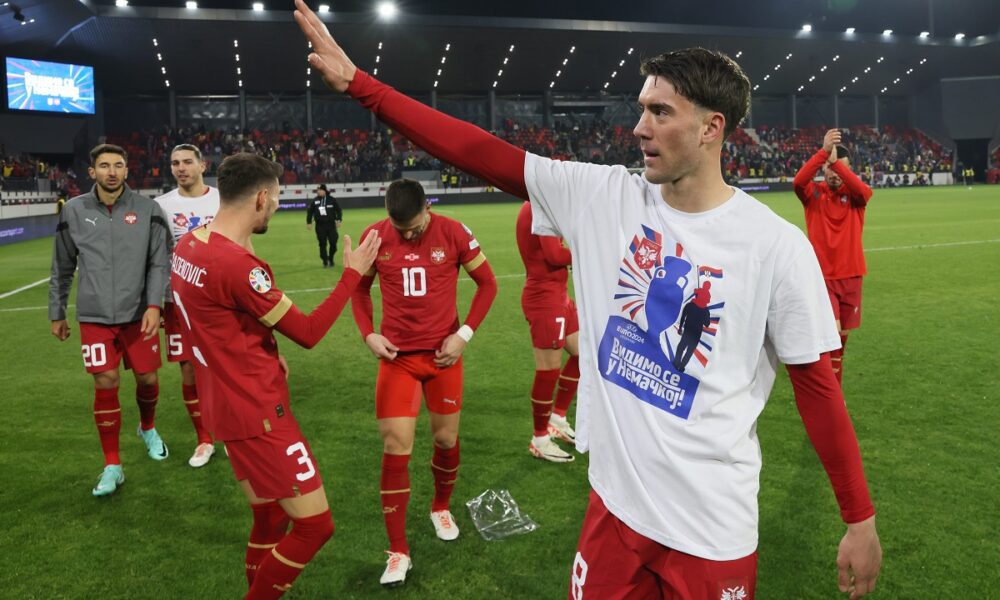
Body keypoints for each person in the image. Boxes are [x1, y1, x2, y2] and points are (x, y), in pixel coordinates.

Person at [294, 7, 882, 598]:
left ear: (712, 127)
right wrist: (361, 86)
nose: (640, 128)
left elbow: (817, 389)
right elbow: (477, 149)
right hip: (614, 512)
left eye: (660, 112)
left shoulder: (776, 246)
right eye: (641, 109)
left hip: (711, 529)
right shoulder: (603, 198)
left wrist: (859, 519)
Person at [169, 152, 380, 599]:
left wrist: (266, 350)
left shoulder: (189, 245)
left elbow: (221, 319)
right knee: (316, 525)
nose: (279, 205)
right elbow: (308, 332)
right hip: (258, 412)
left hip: (220, 403)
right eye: (278, 197)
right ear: (261, 198)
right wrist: (352, 275)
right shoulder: (238, 267)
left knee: (269, 517)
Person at [350, 178, 497, 587]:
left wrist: (463, 335)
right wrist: (368, 334)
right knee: (395, 447)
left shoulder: (454, 231)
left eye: (415, 228)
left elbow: (488, 284)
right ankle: (398, 551)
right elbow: (359, 291)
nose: (409, 236)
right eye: (402, 230)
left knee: (446, 440)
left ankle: (440, 506)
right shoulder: (375, 236)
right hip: (397, 360)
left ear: (428, 208)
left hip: (443, 358)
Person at [48, 143, 172, 497]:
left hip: (139, 314)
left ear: (127, 170)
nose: (112, 172)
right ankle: (112, 465)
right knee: (105, 381)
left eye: (118, 165)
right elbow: (62, 266)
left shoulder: (149, 209)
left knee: (148, 378)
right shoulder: (73, 211)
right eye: (104, 166)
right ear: (92, 172)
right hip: (95, 316)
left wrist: (155, 305)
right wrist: (57, 312)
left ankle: (147, 427)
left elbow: (159, 262)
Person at [154, 143, 222, 467]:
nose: (180, 168)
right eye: (175, 163)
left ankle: (232, 431)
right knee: (188, 368)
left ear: (202, 165)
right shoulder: (161, 205)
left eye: (186, 162)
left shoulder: (222, 199)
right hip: (178, 300)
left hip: (220, 298)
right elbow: (156, 255)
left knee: (225, 366)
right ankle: (204, 439)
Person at [793, 131, 873, 386]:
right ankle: (832, 395)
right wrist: (824, 154)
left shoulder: (857, 198)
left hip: (852, 277)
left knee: (841, 340)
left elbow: (863, 190)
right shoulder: (813, 194)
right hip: (824, 278)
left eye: (840, 169)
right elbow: (798, 181)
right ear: (823, 169)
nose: (835, 173)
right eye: (830, 168)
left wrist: (836, 162)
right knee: (832, 337)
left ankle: (833, 390)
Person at [515, 200, 578, 463]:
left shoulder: (538, 204)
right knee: (548, 370)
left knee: (583, 353)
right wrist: (587, 250)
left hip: (558, 294)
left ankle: (557, 418)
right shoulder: (541, 206)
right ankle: (540, 438)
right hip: (545, 298)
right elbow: (554, 256)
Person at [306, 183, 343, 267]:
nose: (318, 191)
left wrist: (339, 220)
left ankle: (331, 258)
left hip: (331, 225)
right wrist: (309, 222)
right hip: (320, 226)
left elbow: (339, 210)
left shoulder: (332, 200)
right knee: (322, 244)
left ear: (325, 191)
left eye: (320, 190)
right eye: (318, 190)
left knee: (333, 242)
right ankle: (325, 260)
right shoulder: (315, 201)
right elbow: (310, 212)